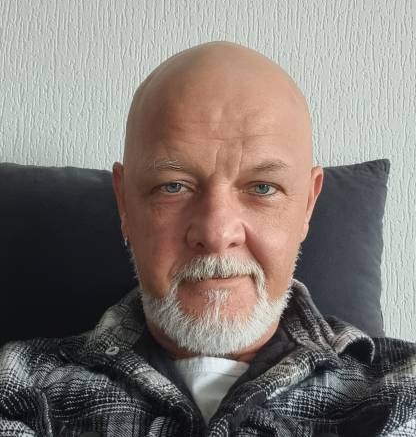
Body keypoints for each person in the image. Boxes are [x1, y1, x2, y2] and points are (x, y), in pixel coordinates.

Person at [0, 42, 415, 436]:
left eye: (263, 188)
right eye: (173, 186)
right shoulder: (18, 385)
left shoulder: (401, 392)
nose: (217, 234)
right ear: (124, 204)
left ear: (307, 205)